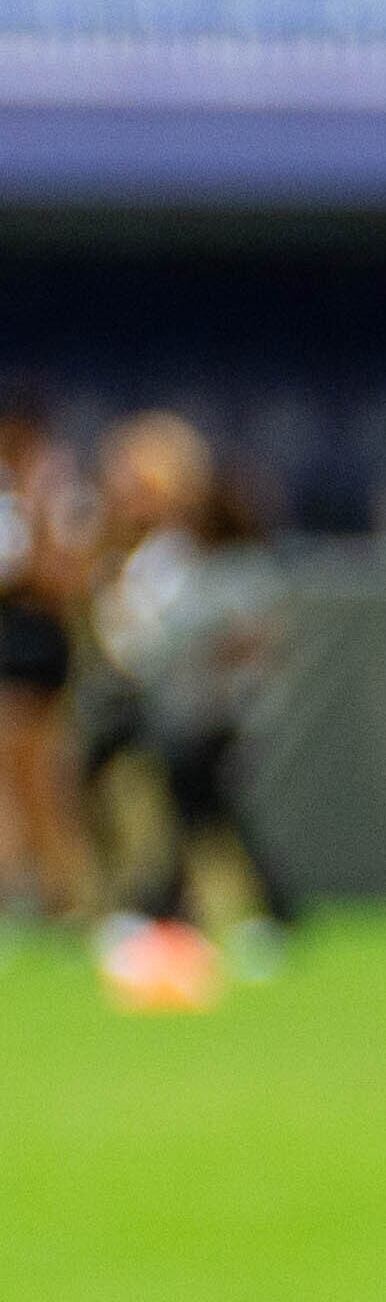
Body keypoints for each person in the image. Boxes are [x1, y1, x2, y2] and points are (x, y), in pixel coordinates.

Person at [93, 413, 297, 954]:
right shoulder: (159, 559)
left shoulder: (230, 566)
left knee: (203, 810)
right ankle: (191, 909)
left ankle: (180, 909)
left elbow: (246, 640)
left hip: (220, 713)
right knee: (197, 811)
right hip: (178, 709)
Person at [0, 384, 90, 922]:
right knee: (14, 778)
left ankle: (65, 895)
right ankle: (24, 892)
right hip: (11, 644)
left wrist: (39, 516)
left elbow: (63, 579)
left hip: (44, 651)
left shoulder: (61, 500)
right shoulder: (9, 503)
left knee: (45, 778)